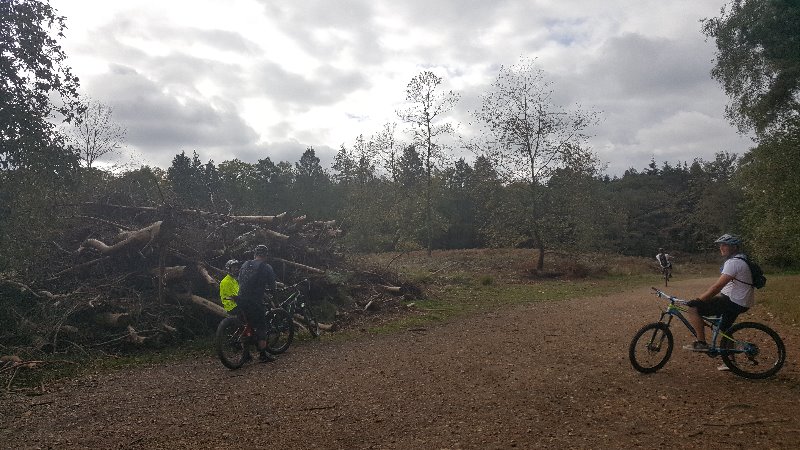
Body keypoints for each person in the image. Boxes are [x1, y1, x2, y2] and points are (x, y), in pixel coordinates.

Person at [683, 234, 754, 355]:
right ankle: (730, 362)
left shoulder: (733, 263)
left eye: (725, 245)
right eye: (721, 245)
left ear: (734, 247)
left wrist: (699, 300)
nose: (721, 247)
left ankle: (701, 343)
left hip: (734, 301)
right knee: (726, 329)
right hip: (741, 301)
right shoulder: (742, 259)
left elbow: (717, 287)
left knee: (693, 308)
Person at [236, 244, 278, 362]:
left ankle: (246, 354)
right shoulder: (266, 267)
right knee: (261, 326)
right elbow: (273, 286)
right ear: (266, 255)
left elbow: (240, 281)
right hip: (254, 301)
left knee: (245, 324)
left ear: (254, 254)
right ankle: (263, 355)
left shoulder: (245, 264)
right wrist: (276, 301)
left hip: (240, 298)